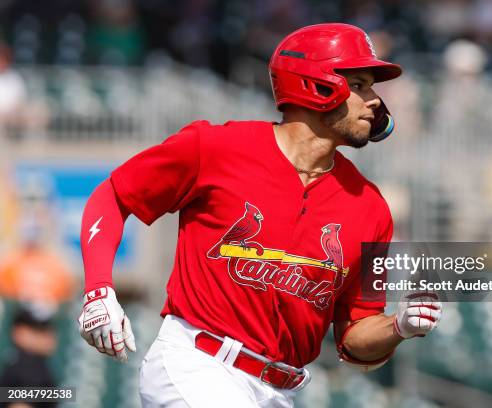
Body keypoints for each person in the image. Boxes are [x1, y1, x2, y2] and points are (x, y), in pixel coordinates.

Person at [77, 23, 442, 407]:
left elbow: (355, 335)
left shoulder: (369, 206)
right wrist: (98, 290)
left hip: (280, 391)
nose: (374, 101)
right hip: (198, 363)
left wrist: (397, 326)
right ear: (316, 85)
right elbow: (113, 197)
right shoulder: (216, 148)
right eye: (360, 84)